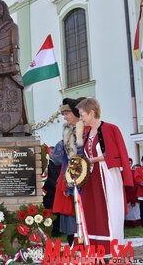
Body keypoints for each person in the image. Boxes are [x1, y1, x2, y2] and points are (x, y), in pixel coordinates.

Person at [76, 97, 133, 256]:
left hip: (107, 174)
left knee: (109, 209)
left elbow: (115, 153)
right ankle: (93, 246)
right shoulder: (86, 132)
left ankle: (111, 248)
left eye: (82, 115)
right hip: (92, 175)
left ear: (92, 112)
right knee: (91, 210)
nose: (81, 119)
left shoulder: (110, 129)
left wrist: (92, 160)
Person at [0, 0, 30, 136]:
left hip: (9, 62)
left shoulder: (12, 26)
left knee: (18, 88)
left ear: (4, 10)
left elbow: (15, 44)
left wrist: (16, 62)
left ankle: (23, 123)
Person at [52, 97, 85, 246]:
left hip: (84, 175)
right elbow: (59, 159)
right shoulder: (66, 133)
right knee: (71, 210)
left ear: (76, 112)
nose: (65, 117)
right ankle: (73, 241)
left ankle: (85, 241)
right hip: (69, 174)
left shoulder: (84, 130)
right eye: (63, 114)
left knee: (82, 209)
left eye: (67, 113)